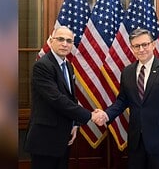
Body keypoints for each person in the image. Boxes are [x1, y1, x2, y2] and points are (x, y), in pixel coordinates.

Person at [94, 28, 159, 169]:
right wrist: (106, 114)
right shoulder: (127, 72)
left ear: (153, 45)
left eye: (145, 44)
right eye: (136, 46)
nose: (141, 49)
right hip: (136, 142)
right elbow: (122, 101)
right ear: (131, 48)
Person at [24, 26, 103, 169]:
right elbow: (57, 99)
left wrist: (74, 124)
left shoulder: (68, 65)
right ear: (51, 40)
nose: (64, 44)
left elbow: (71, 97)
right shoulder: (42, 66)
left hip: (63, 137)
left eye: (69, 41)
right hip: (45, 140)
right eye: (60, 39)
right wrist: (90, 115)